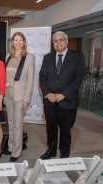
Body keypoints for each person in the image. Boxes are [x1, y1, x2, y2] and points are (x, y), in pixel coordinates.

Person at [39, 31, 85, 159]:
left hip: (68, 101)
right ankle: (51, 151)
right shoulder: (47, 57)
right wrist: (47, 94)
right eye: (55, 41)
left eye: (61, 40)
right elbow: (42, 78)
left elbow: (78, 79)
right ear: (53, 43)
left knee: (66, 130)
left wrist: (63, 94)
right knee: (50, 129)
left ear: (66, 41)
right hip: (50, 102)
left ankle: (64, 155)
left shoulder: (77, 56)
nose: (58, 43)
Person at [4, 32, 35, 162]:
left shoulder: (29, 57)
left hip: (20, 96)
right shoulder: (8, 56)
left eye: (20, 40)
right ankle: (11, 146)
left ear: (24, 42)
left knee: (17, 124)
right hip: (8, 93)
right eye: (15, 40)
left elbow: (30, 80)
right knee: (10, 122)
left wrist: (26, 100)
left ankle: (17, 151)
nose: (18, 42)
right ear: (12, 42)